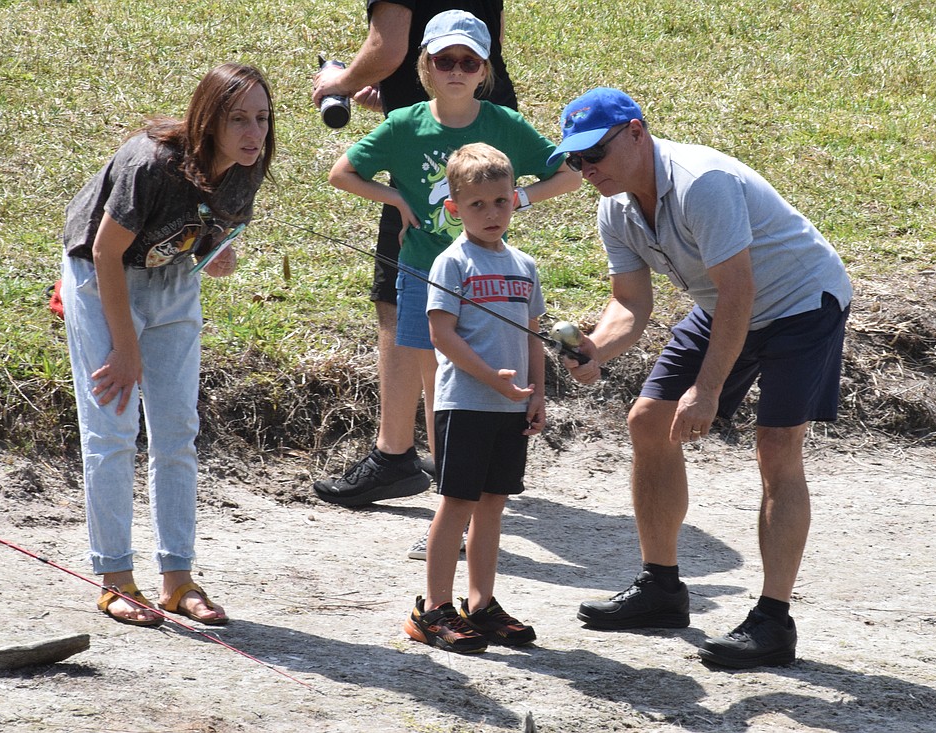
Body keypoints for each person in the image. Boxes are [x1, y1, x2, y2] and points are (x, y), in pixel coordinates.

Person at [549, 88, 852, 669]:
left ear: (637, 133)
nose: (587, 170)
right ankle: (661, 589)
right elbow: (629, 305)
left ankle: (772, 621)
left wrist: (708, 390)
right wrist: (595, 349)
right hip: (727, 305)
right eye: (576, 160)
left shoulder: (700, 183)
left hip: (802, 301)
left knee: (777, 446)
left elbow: (742, 292)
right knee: (648, 421)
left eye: (596, 154)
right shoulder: (614, 206)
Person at [312, 10, 578, 513]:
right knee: (437, 388)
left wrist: (518, 199)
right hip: (422, 276)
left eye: (469, 61)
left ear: (485, 70)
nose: (456, 69)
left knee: (466, 393)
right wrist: (394, 199)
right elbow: (342, 173)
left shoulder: (506, 125)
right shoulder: (402, 124)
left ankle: (465, 502)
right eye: (444, 59)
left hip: (486, 280)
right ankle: (449, 506)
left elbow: (569, 175)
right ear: (425, 66)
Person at [60, 63, 275, 627]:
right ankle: (113, 577)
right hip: (102, 277)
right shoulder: (150, 163)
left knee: (177, 430)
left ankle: (177, 579)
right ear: (208, 120)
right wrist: (124, 349)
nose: (253, 132)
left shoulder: (247, 167)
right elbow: (106, 252)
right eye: (238, 119)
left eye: (261, 118)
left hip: (173, 280)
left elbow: (207, 232)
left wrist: (214, 252)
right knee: (112, 427)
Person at [403, 142, 546, 653]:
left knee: (493, 504)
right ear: (454, 208)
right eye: (478, 204)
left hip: (510, 403)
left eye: (502, 201)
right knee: (457, 502)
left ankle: (481, 604)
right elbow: (442, 336)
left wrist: (536, 395)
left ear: (515, 201)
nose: (492, 213)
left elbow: (533, 336)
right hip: (465, 403)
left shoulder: (524, 266)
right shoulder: (451, 262)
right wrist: (491, 377)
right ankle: (433, 608)